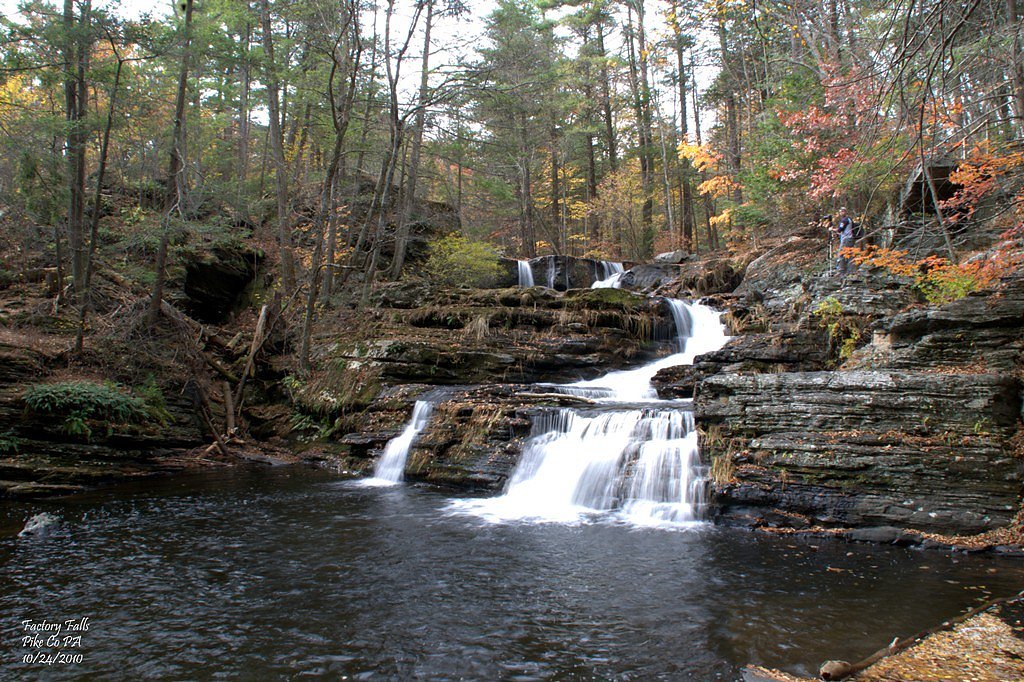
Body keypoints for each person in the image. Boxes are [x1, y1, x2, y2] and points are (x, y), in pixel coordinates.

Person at [834, 207, 855, 277]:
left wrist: (833, 229)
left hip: (846, 239)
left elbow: (840, 229)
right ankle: (850, 271)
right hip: (850, 238)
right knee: (849, 254)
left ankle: (841, 271)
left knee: (841, 254)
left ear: (845, 212)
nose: (842, 213)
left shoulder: (845, 220)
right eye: (841, 211)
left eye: (843, 211)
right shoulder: (849, 219)